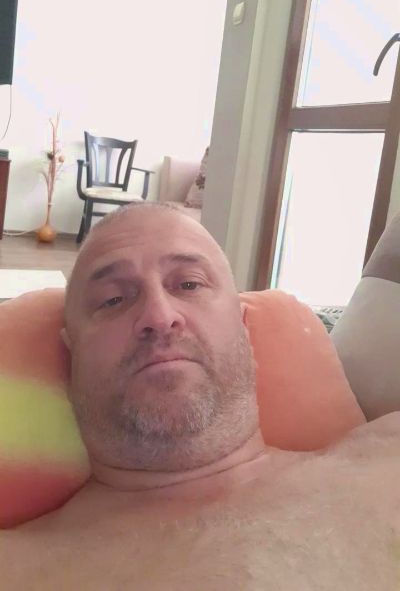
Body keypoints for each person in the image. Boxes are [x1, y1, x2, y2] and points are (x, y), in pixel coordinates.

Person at [1, 203, 400, 590]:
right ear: (73, 354)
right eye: (113, 299)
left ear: (242, 326)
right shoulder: (17, 567)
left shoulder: (385, 460)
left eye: (189, 284)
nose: (159, 316)